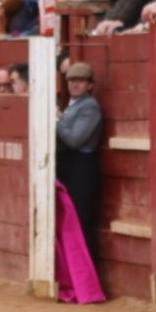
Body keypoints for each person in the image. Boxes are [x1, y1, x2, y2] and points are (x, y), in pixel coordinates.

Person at [56, 62, 103, 259]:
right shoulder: (72, 106)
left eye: (81, 81)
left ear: (90, 85)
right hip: (70, 167)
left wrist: (56, 121)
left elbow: (75, 140)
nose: (75, 85)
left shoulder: (90, 106)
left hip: (81, 169)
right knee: (71, 221)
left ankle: (86, 279)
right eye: (72, 80)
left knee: (81, 222)